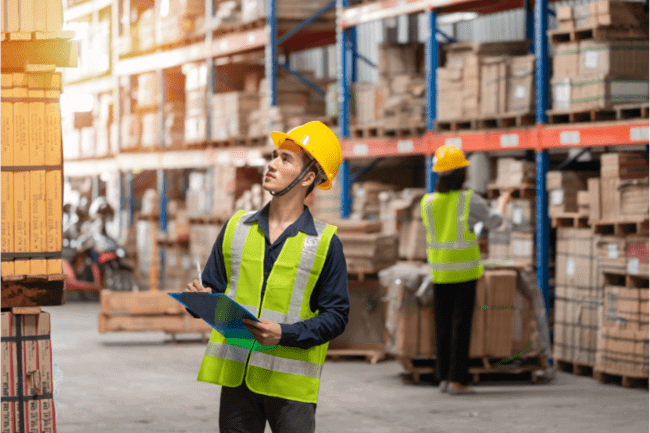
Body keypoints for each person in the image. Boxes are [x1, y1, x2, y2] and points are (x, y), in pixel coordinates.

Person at [185, 121, 349, 433]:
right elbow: (212, 289)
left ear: (308, 178)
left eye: (286, 159)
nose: (271, 164)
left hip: (289, 386)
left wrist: (284, 334)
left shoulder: (326, 243)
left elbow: (337, 317)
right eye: (275, 156)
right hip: (237, 379)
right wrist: (199, 301)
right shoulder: (236, 227)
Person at [420, 144, 512, 395]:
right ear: (461, 174)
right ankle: (457, 380)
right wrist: (502, 203)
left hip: (439, 273)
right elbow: (494, 221)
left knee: (442, 327)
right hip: (464, 274)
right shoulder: (469, 200)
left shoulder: (427, 203)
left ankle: (443, 378)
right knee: (461, 327)